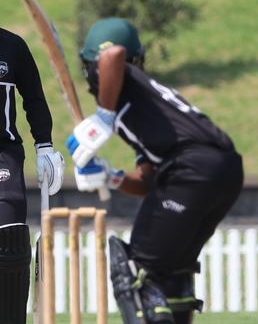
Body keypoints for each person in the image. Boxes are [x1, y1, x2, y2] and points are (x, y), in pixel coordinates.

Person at [65, 18, 243, 324]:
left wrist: (103, 117)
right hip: (223, 171)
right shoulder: (146, 101)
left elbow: (112, 55)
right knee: (171, 270)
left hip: (192, 167)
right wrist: (112, 177)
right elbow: (148, 182)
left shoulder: (120, 78)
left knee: (136, 271)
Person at [0, 27, 64, 324]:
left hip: (3, 154)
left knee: (9, 236)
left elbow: (34, 98)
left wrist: (44, 145)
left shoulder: (12, 46)